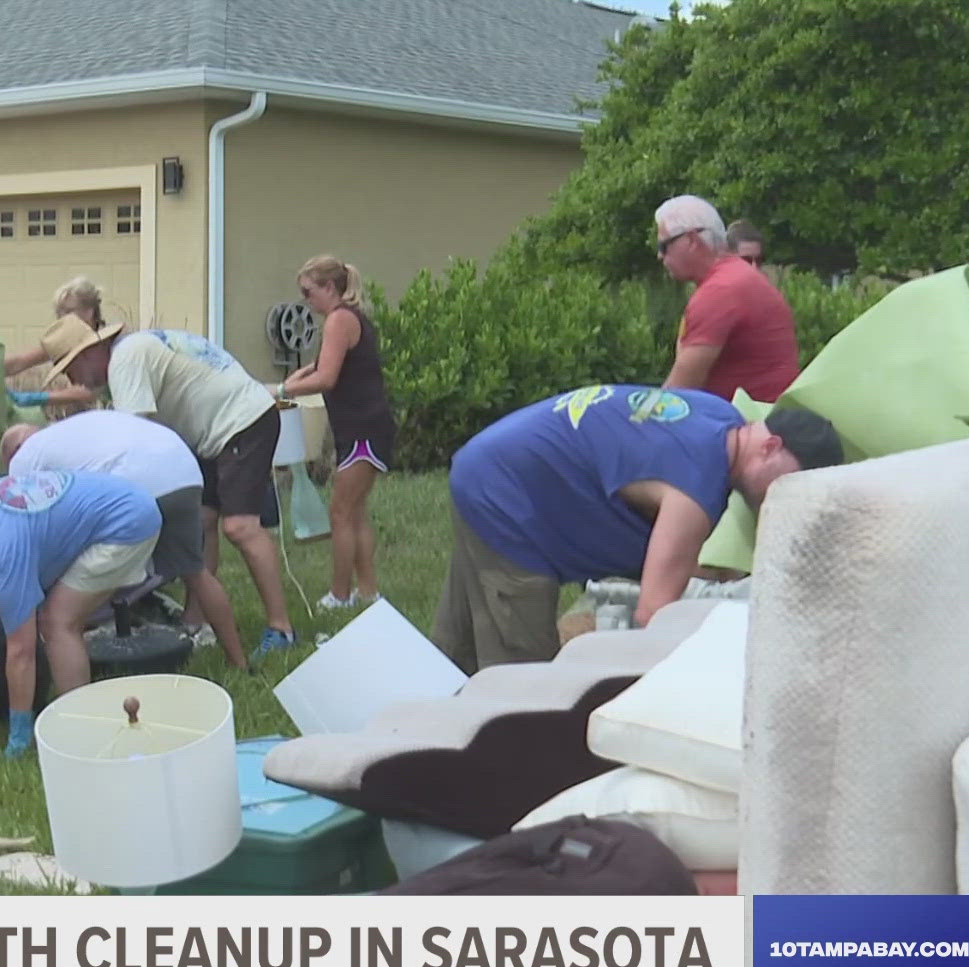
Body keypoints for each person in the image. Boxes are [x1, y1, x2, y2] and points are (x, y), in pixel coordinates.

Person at [436, 383, 843, 674]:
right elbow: (654, 614)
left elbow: (662, 529)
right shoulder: (695, 486)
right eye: (787, 483)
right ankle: (510, 787)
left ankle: (418, 734)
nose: (783, 498)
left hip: (496, 459)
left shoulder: (719, 416)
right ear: (770, 447)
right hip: (507, 498)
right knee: (522, 677)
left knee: (459, 646)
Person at [38, 314, 298, 659]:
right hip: (213, 429)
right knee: (201, 523)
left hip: (240, 420)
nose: (74, 380)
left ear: (89, 353)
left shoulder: (125, 361)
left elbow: (134, 442)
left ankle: (281, 629)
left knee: (240, 526)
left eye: (71, 369)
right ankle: (195, 622)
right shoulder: (131, 350)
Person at [0, 469, 161, 758]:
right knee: (56, 618)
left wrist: (18, 735)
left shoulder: (3, 549)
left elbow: (20, 653)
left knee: (58, 623)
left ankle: (82, 729)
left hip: (126, 525)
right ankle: (76, 712)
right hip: (131, 501)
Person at [1, 411, 249, 670]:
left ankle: (85, 635)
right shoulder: (72, 432)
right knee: (196, 572)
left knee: (92, 562)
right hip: (183, 470)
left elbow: (37, 533)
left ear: (12, 454)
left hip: (135, 483)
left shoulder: (24, 460)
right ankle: (239, 662)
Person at [279, 255, 395, 609]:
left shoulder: (339, 320)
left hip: (363, 429)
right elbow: (320, 366)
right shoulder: (348, 318)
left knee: (341, 512)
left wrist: (283, 391)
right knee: (354, 511)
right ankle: (369, 591)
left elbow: (326, 378)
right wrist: (292, 382)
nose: (305, 301)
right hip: (365, 428)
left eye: (308, 292)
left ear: (329, 288)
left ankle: (340, 595)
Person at [655, 195, 799, 403]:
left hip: (751, 425)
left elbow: (678, 395)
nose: (660, 256)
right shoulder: (738, 277)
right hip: (772, 419)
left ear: (692, 241)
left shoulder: (719, 292)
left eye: (664, 246)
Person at [2, 276, 106, 412]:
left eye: (69, 311)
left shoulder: (108, 341)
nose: (62, 318)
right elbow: (19, 362)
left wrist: (38, 398)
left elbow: (93, 391)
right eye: (59, 312)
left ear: (89, 311)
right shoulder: (65, 340)